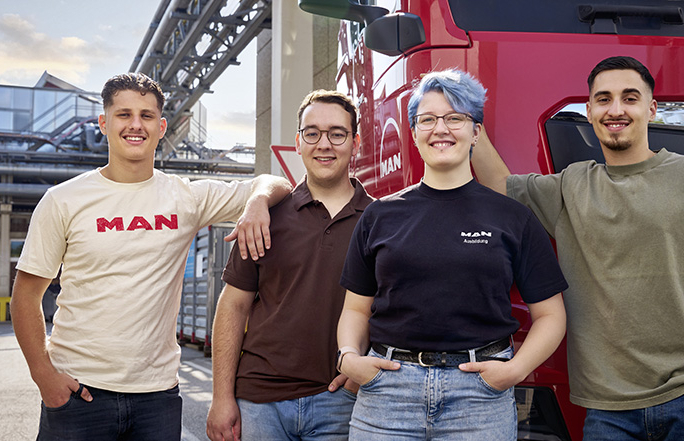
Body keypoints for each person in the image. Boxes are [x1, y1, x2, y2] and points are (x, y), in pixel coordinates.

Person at [471, 56, 684, 440]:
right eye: (604, 99)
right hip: (608, 413)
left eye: (629, 98)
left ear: (651, 108)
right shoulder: (571, 186)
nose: (616, 110)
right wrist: (465, 115)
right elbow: (500, 185)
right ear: (591, 110)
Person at [11, 72, 292, 441]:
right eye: (124, 114)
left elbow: (277, 183)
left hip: (156, 398)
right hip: (79, 394)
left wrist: (256, 202)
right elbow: (25, 297)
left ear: (161, 127)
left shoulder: (186, 198)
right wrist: (45, 378)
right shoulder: (64, 199)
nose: (135, 125)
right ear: (104, 123)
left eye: (146, 116)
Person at [336, 69, 568, 440]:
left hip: (479, 399)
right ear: (413, 133)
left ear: (476, 131)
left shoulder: (513, 217)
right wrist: (349, 356)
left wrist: (514, 370)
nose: (440, 128)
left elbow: (551, 315)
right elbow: (356, 309)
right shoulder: (379, 215)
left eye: (455, 118)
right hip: (388, 395)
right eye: (427, 119)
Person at [206, 90, 373, 441]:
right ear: (298, 142)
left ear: (355, 143)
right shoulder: (265, 217)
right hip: (259, 401)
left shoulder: (380, 220)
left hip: (341, 400)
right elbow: (233, 305)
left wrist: (363, 372)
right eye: (312, 133)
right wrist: (221, 397)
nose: (323, 144)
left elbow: (394, 309)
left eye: (337, 134)